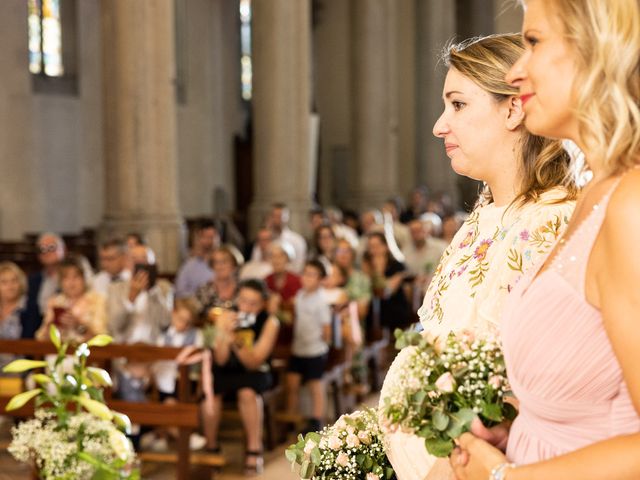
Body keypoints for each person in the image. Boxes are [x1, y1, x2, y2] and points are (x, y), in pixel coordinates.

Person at [451, 2, 640, 479]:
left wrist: (504, 477)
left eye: (533, 42)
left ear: (597, 48)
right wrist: (524, 424)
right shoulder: (599, 190)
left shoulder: (631, 205)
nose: (517, 71)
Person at [378, 33, 578, 480]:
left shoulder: (553, 222)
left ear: (512, 108)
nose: (439, 125)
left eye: (458, 104)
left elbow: (543, 386)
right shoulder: (484, 215)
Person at [201, 279, 280, 474]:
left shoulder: (270, 322)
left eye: (253, 303)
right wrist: (224, 334)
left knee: (247, 393)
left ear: (262, 304)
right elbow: (220, 360)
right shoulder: (225, 316)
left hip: (255, 372)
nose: (246, 307)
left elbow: (253, 362)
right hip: (227, 370)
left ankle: (254, 449)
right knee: (212, 393)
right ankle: (211, 446)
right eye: (243, 300)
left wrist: (235, 339)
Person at [285, 260, 332, 433]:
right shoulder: (300, 295)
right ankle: (291, 416)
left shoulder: (320, 300)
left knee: (315, 384)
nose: (306, 278)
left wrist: (323, 343)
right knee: (292, 383)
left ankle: (316, 418)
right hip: (299, 348)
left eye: (312, 275)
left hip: (315, 350)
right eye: (305, 273)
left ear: (320, 279)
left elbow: (326, 328)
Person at [107, 245, 172, 344]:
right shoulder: (115, 288)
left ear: (152, 264)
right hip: (124, 349)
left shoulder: (163, 288)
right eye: (134, 259)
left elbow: (166, 323)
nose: (140, 263)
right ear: (127, 263)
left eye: (144, 258)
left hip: (154, 349)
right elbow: (114, 325)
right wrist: (131, 298)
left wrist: (153, 290)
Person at [36, 255, 107, 343]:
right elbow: (40, 338)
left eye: (76, 277)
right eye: (66, 278)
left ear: (85, 278)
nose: (71, 282)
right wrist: (51, 327)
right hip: (57, 354)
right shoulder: (55, 302)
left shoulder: (98, 301)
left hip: (87, 354)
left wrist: (78, 326)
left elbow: (102, 339)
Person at [22, 233, 66, 338]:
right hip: (37, 337)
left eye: (51, 247)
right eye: (41, 249)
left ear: (63, 250)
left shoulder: (72, 280)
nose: (46, 252)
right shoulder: (33, 281)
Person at [195, 244, 242, 318]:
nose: (220, 266)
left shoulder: (242, 289)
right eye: (216, 262)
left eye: (224, 262)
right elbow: (197, 316)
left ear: (234, 264)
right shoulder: (204, 289)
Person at [175, 220, 219, 298]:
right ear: (198, 239)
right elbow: (180, 292)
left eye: (212, 237)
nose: (209, 241)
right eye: (205, 237)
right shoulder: (188, 266)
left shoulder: (225, 264)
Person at [0, 262, 26, 371]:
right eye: (4, 282)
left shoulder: (29, 309)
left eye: (14, 281)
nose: (10, 286)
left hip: (19, 366)